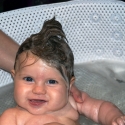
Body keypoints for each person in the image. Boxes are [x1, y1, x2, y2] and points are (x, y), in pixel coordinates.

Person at [0, 17, 125, 125]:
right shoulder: (12, 118)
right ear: (14, 77)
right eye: (28, 79)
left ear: (69, 86)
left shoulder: (71, 103)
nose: (38, 90)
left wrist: (114, 118)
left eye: (51, 82)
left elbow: (100, 109)